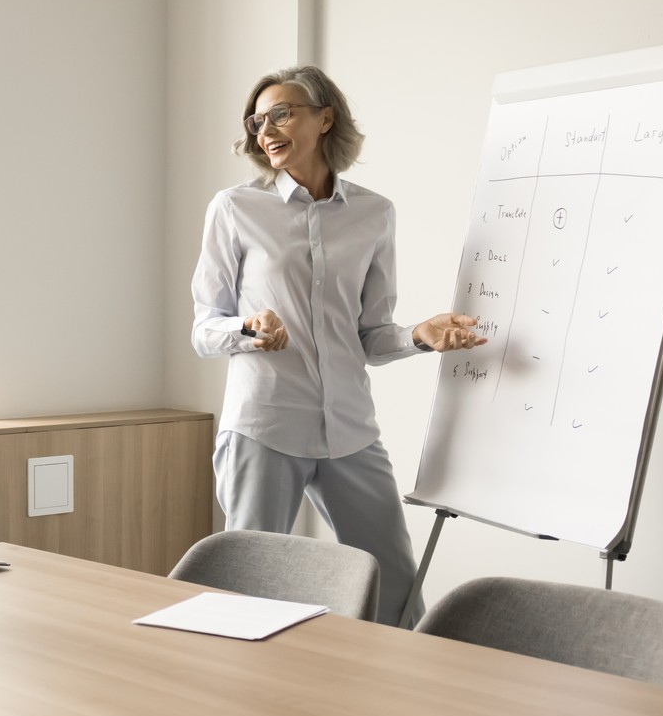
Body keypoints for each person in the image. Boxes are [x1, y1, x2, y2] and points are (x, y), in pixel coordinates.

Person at [190, 65, 485, 626]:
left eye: (282, 112)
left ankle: (400, 702)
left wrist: (418, 336)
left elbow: (372, 337)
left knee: (396, 584)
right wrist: (248, 331)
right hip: (265, 427)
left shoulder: (374, 214)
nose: (266, 129)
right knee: (247, 588)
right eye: (257, 120)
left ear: (325, 117)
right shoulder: (235, 208)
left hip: (350, 429)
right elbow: (205, 329)